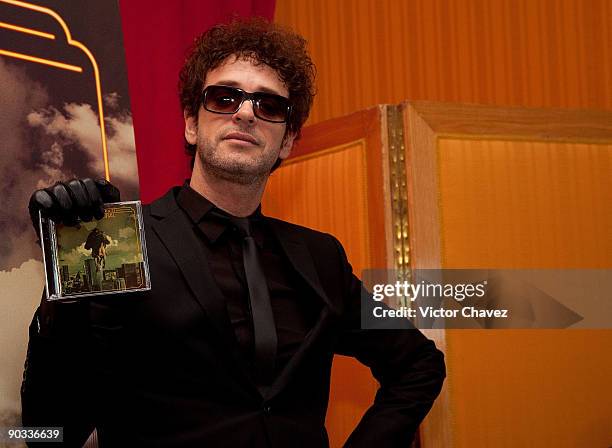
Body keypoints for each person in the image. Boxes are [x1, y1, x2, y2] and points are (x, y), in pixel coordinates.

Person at [22, 18, 445, 448]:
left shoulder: (319, 258)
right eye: (224, 97)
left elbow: (419, 364)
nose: (245, 112)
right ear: (191, 123)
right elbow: (48, 432)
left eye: (269, 105)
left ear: (287, 141)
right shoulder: (120, 243)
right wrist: (66, 284)